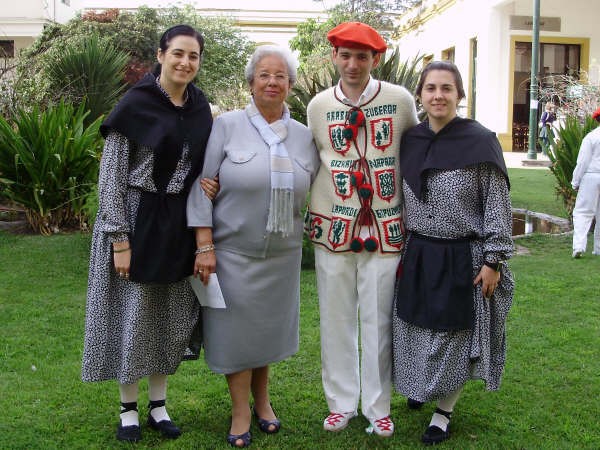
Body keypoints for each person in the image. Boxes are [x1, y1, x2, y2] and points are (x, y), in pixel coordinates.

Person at [81, 25, 217, 443]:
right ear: (160, 55)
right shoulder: (135, 105)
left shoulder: (199, 108)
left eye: (193, 56)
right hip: (136, 220)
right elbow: (111, 178)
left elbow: (200, 165)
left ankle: (158, 406)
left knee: (168, 316)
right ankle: (128, 410)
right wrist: (119, 240)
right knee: (133, 316)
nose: (185, 63)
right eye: (178, 53)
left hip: (178, 222)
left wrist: (207, 184)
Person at [186, 45, 319, 448]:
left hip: (282, 256)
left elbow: (317, 187)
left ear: (291, 85)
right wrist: (203, 244)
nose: (273, 82)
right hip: (232, 253)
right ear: (250, 83)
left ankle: (263, 402)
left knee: (265, 335)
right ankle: (241, 409)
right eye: (264, 75)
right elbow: (203, 186)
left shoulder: (303, 137)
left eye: (281, 76)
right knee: (236, 336)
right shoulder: (226, 126)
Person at [392, 60, 515, 445]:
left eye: (447, 88)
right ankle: (419, 385)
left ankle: (443, 412)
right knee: (413, 326)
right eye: (431, 88)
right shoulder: (410, 139)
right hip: (418, 250)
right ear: (421, 95)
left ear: (460, 95)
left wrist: (494, 259)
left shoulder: (479, 141)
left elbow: (497, 201)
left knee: (454, 336)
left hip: (463, 255)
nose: (438, 95)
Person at [304, 22, 418, 437]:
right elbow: (309, 161)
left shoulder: (400, 101)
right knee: (335, 318)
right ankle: (340, 403)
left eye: (362, 56)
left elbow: (417, 155)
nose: (353, 65)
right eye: (346, 55)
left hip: (385, 228)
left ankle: (377, 405)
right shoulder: (318, 106)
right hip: (333, 227)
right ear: (333, 56)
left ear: (376, 59)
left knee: (378, 318)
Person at [571, 106, 600, 258]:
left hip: (591, 176)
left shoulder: (591, 137)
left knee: (583, 212)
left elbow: (582, 162)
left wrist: (575, 181)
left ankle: (579, 247)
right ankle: (598, 248)